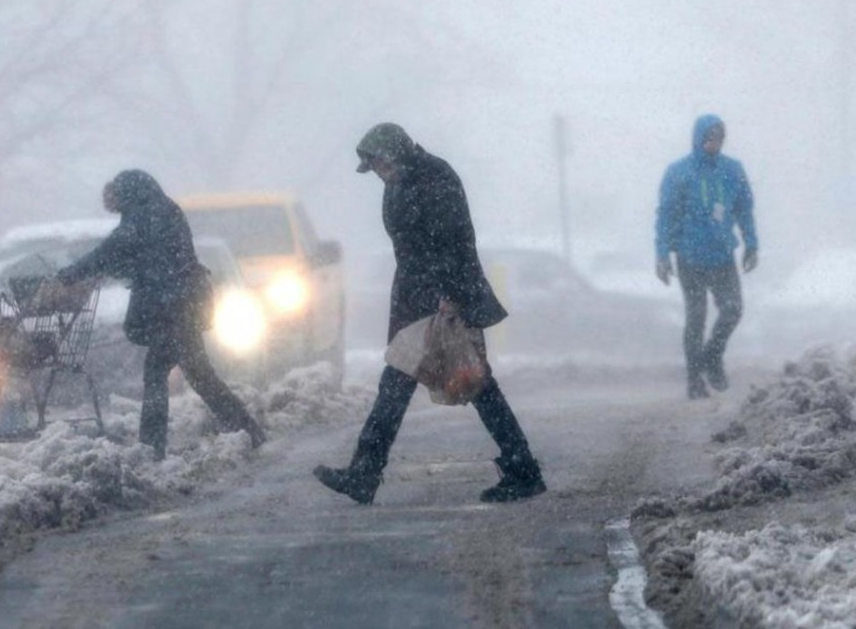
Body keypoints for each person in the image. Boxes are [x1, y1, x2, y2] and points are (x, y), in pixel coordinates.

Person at [313, 123, 545, 504]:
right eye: (374, 169)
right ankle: (365, 471)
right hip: (416, 297)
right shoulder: (401, 182)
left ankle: (522, 469)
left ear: (398, 152)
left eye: (381, 164)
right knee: (400, 384)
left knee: (475, 383)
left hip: (442, 299)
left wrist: (451, 295)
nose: (380, 174)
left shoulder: (436, 178)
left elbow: (454, 241)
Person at [50, 170, 266, 459]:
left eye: (114, 202)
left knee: (161, 375)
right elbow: (143, 257)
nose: (114, 209)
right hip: (182, 306)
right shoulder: (160, 209)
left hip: (172, 310)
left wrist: (70, 275)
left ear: (125, 194)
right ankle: (245, 429)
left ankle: (153, 447)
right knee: (198, 375)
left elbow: (111, 250)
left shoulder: (143, 216)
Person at [655, 114, 759, 399]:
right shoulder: (679, 173)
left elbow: (744, 209)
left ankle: (713, 356)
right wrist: (662, 253)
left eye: (719, 137)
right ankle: (694, 380)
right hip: (689, 257)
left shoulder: (732, 170)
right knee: (696, 318)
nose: (714, 143)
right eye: (709, 137)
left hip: (723, 254)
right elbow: (665, 215)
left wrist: (752, 243)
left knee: (733, 309)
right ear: (699, 137)